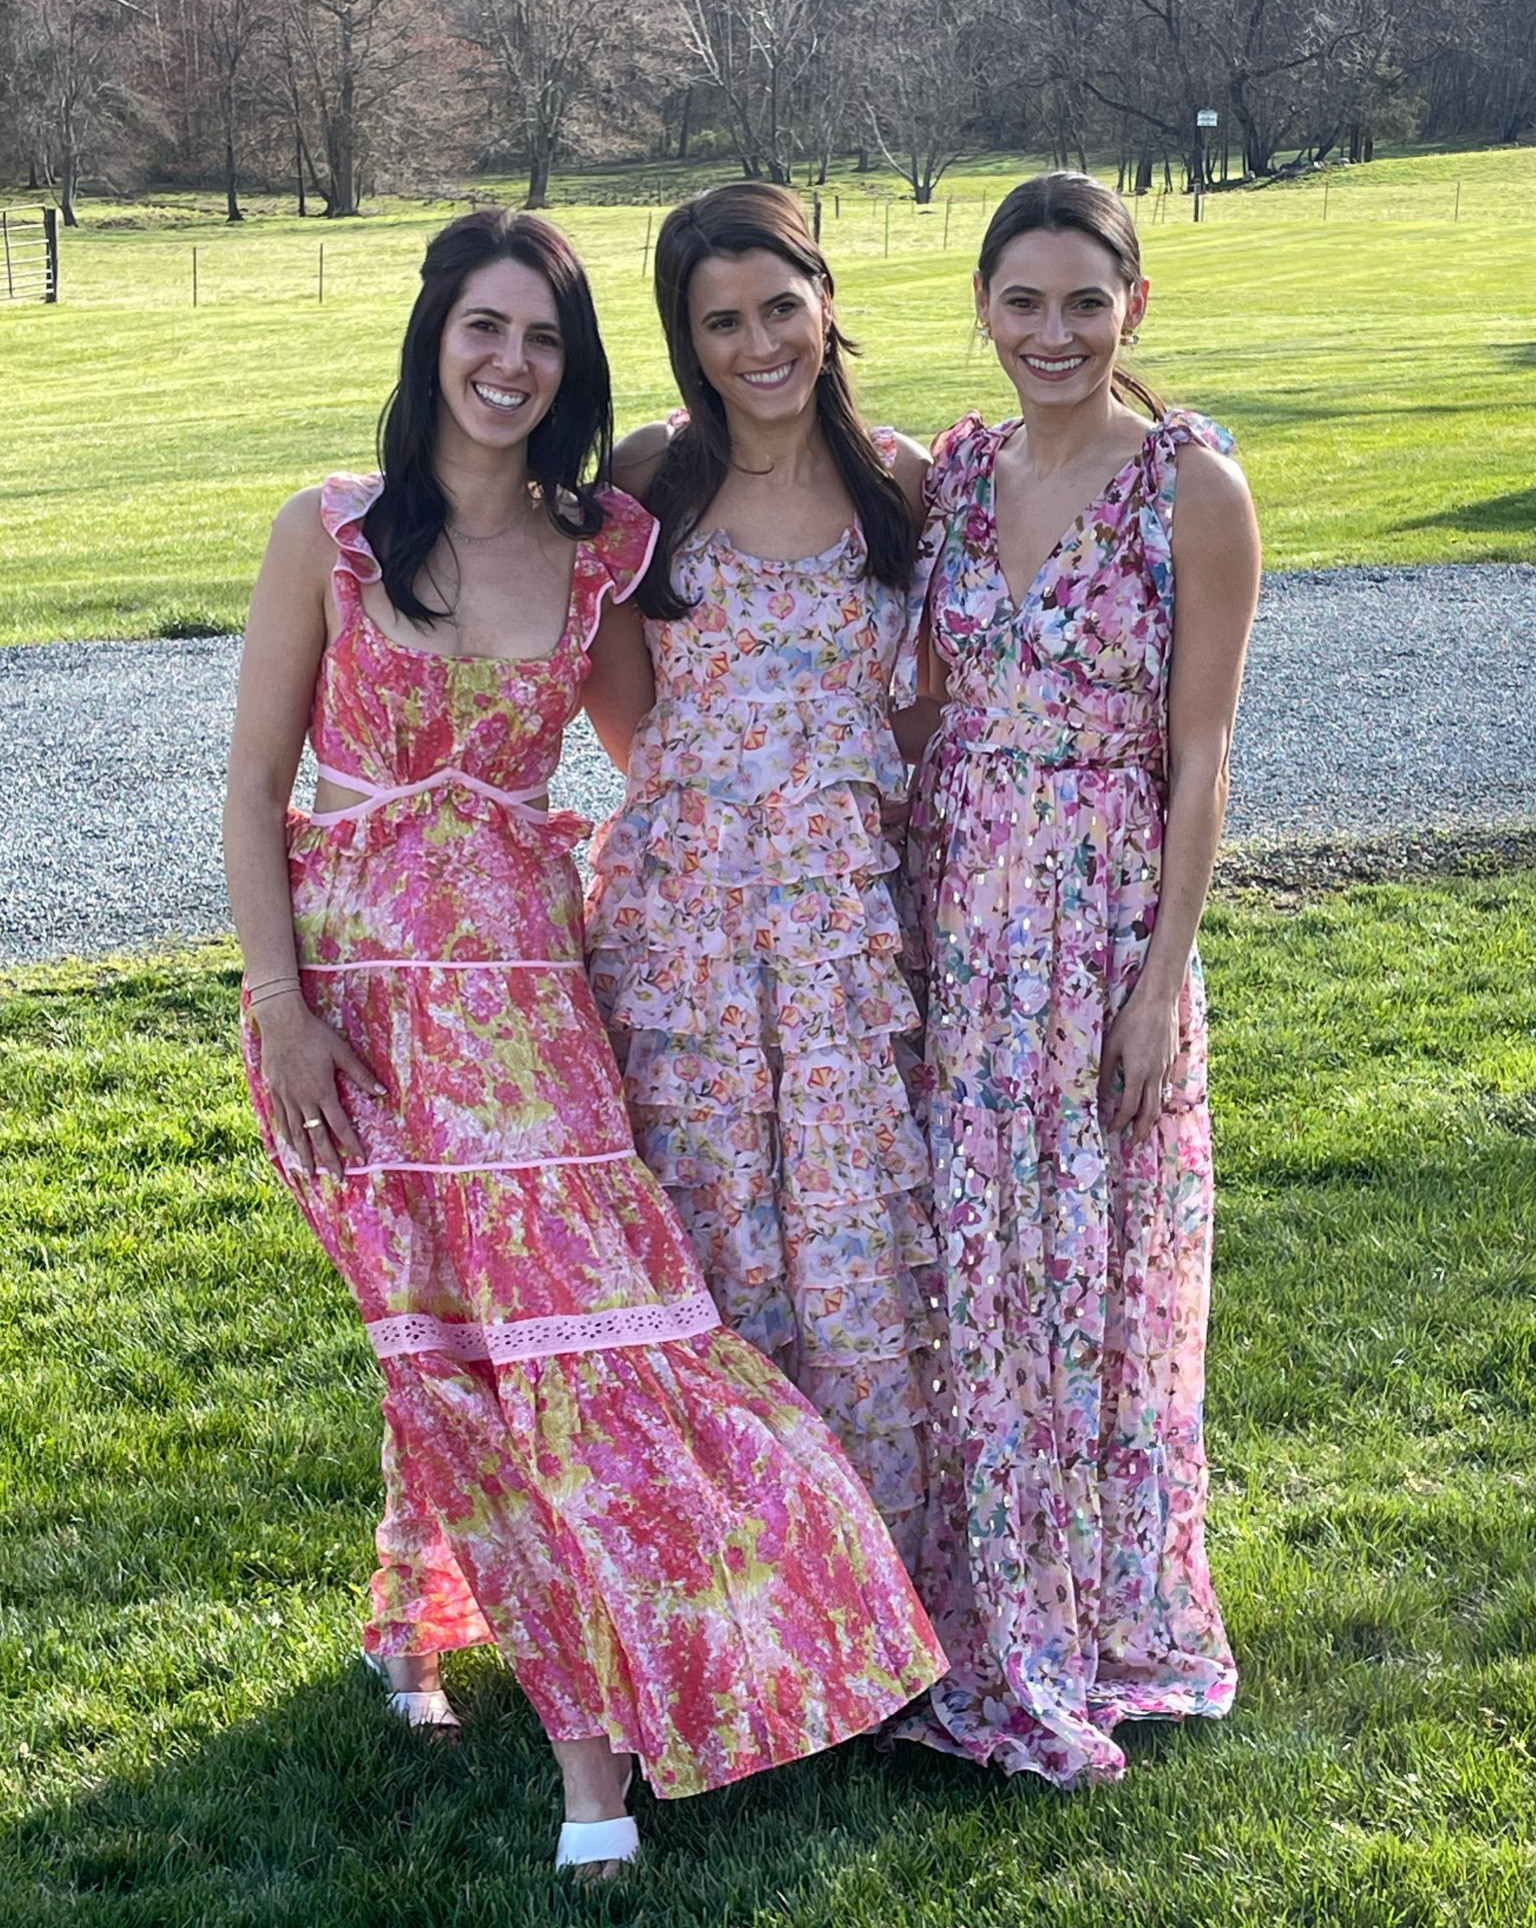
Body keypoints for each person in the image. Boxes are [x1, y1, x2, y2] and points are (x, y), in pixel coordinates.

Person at [223, 207, 944, 1877]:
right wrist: (285, 1013)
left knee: (593, 1342)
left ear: (575, 368)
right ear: (433, 338)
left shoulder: (603, 541)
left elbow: (650, 751)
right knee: (446, 1343)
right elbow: (258, 791)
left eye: (542, 339)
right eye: (484, 329)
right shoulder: (326, 533)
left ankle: (742, 1647)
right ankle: (544, 1725)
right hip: (358, 1019)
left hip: (540, 1007)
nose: (509, 364)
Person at [903, 172, 1261, 1785]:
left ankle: (1106, 1609)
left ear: (1135, 311)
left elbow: (1203, 762)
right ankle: (981, 1590)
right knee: (977, 1274)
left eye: (1084, 303)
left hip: (1107, 923)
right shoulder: (954, 476)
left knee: (1098, 1274)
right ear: (982, 306)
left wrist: (1156, 983)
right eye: (1023, 302)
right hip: (955, 924)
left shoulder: (1190, 487)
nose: (1053, 334)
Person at [584, 183, 943, 1572]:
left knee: (854, 1239)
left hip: (847, 927)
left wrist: (823, 815)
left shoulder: (899, 483)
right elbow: (625, 709)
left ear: (827, 299)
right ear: (686, 337)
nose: (758, 345)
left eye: (779, 307)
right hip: (686, 927)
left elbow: (916, 704)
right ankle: (721, 1585)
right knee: (710, 1228)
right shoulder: (655, 478)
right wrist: (728, 813)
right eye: (720, 321)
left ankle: (869, 1588)